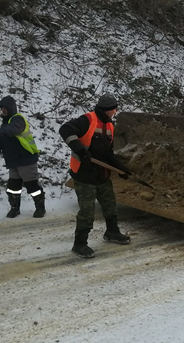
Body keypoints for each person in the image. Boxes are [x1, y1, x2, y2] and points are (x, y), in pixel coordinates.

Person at [59, 93, 131, 259]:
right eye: (114, 109)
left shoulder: (110, 125)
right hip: (85, 176)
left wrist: (121, 169)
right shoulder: (87, 120)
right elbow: (65, 129)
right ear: (107, 109)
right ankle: (80, 244)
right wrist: (79, 149)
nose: (115, 111)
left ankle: (112, 232)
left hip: (102, 175)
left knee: (110, 206)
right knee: (87, 211)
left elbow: (109, 154)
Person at [0, 95, 45, 218]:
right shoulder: (5, 125)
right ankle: (15, 208)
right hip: (13, 161)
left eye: (4, 108)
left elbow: (10, 131)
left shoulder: (18, 120)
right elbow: (4, 139)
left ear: (10, 108)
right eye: (1, 109)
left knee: (32, 186)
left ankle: (40, 208)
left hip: (26, 159)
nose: (2, 111)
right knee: (13, 187)